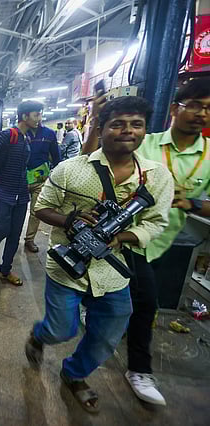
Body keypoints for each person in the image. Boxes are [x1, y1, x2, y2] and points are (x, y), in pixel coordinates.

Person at [25, 96, 174, 414]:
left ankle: (74, 373)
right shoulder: (71, 170)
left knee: (107, 335)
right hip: (67, 267)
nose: (127, 130)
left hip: (112, 272)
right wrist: (70, 221)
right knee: (61, 329)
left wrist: (118, 236)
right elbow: (42, 207)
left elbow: (156, 223)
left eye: (136, 124)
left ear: (145, 130)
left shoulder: (156, 177)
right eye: (117, 124)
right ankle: (39, 336)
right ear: (101, 128)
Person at [82, 79, 210, 406]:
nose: (202, 113)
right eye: (195, 105)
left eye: (208, 108)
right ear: (175, 109)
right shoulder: (144, 142)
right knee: (145, 304)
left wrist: (192, 203)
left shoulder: (209, 156)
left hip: (163, 242)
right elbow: (88, 166)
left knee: (135, 303)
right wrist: (96, 123)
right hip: (123, 238)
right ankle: (138, 369)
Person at [0, 101, 43, 286]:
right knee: (3, 228)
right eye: (36, 114)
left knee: (15, 235)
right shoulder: (8, 135)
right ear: (24, 116)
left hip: (21, 194)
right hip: (4, 191)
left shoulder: (26, 138)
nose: (39, 119)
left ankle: (5, 271)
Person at [23, 122, 61, 253]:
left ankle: (29, 239)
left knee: (35, 211)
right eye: (34, 114)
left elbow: (56, 157)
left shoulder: (49, 134)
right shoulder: (20, 132)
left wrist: (56, 176)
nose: (36, 118)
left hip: (40, 180)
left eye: (38, 114)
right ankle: (13, 237)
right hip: (20, 179)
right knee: (17, 211)